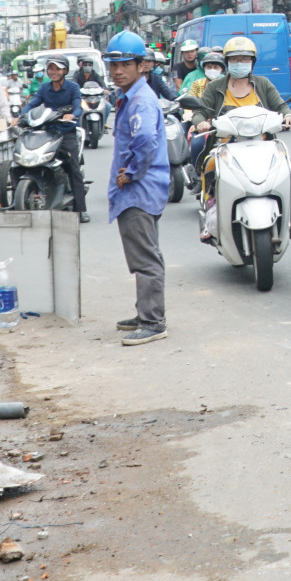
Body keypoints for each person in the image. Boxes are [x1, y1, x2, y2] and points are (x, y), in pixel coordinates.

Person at [104, 32, 170, 347]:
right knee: (143, 253)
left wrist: (130, 174)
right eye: (113, 64)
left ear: (141, 65)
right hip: (141, 190)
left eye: (125, 64)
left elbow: (144, 140)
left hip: (139, 191)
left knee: (145, 258)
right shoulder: (132, 96)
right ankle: (145, 312)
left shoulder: (141, 100)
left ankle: (153, 322)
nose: (118, 70)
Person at [190, 36, 289, 242]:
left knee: (284, 169)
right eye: (235, 59)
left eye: (245, 59)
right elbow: (200, 112)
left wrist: (289, 115)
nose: (240, 63)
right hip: (226, 145)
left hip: (263, 144)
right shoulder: (216, 86)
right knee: (210, 166)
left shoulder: (263, 83)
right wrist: (201, 122)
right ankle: (211, 210)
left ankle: (285, 215)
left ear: (253, 62)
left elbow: (281, 106)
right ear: (227, 62)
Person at [18, 55, 90, 222]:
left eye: (57, 69)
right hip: (46, 131)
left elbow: (78, 105)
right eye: (51, 68)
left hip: (66, 132)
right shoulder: (44, 88)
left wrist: (72, 115)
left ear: (64, 70)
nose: (54, 72)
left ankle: (81, 209)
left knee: (74, 168)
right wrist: (20, 114)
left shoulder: (73, 87)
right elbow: (33, 103)